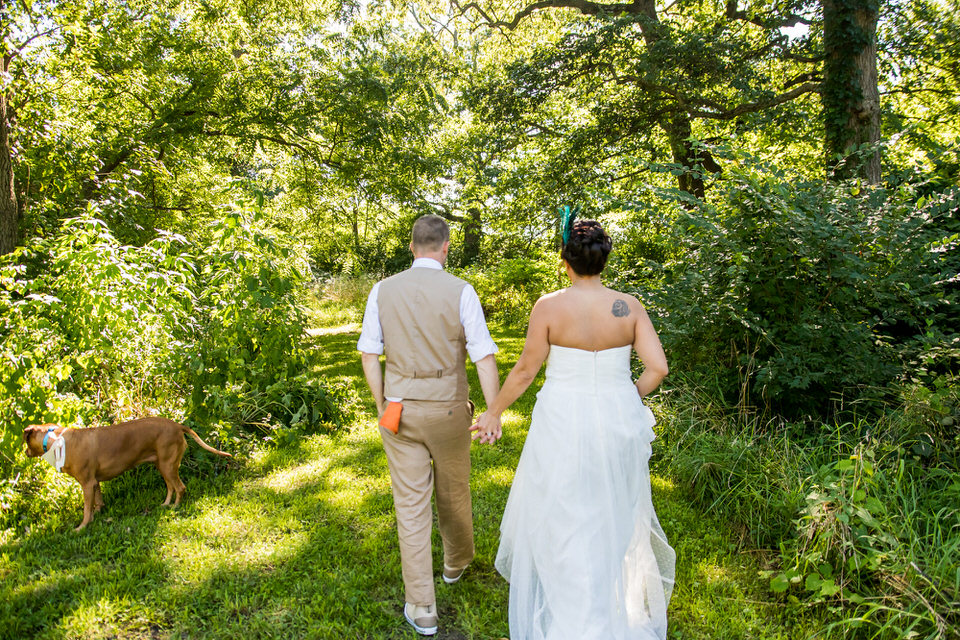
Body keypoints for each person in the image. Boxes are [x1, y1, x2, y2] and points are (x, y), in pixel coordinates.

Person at [472, 218, 676, 640]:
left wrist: (494, 411)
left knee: (562, 514)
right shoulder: (629, 306)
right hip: (619, 420)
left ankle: (572, 618)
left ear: (566, 260)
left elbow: (527, 370)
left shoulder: (549, 306)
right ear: (603, 260)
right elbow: (658, 368)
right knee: (612, 512)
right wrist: (627, 397)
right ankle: (605, 608)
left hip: (563, 419)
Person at [358, 214, 501, 636]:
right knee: (454, 489)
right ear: (445, 246)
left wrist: (382, 402)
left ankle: (421, 606)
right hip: (450, 409)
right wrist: (492, 409)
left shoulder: (382, 290)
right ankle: (455, 563)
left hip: (399, 409)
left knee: (410, 505)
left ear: (411, 246)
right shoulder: (461, 290)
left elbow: (370, 355)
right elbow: (484, 355)